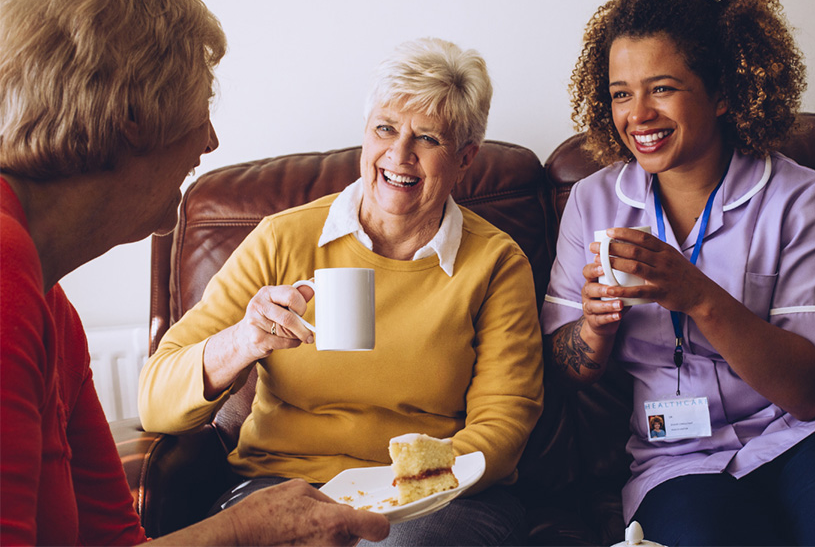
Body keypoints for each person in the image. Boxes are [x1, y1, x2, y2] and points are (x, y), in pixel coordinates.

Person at [540, 0, 815, 545]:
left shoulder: (803, 198)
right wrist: (592, 329)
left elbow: (810, 393)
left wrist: (698, 296)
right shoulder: (592, 204)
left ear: (723, 92)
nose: (637, 114)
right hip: (679, 458)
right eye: (621, 93)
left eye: (662, 88)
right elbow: (568, 370)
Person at [0, 0, 389, 546]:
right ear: (134, 112)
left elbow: (118, 542)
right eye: (199, 104)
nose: (210, 140)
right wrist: (242, 531)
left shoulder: (51, 305)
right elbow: (161, 399)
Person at [138, 37, 544, 546]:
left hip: (436, 499)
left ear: (465, 158)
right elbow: (155, 399)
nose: (400, 154)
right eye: (386, 129)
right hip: (279, 484)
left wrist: (402, 491)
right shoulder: (281, 237)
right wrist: (245, 341)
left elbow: (502, 430)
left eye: (428, 139)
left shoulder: (495, 263)